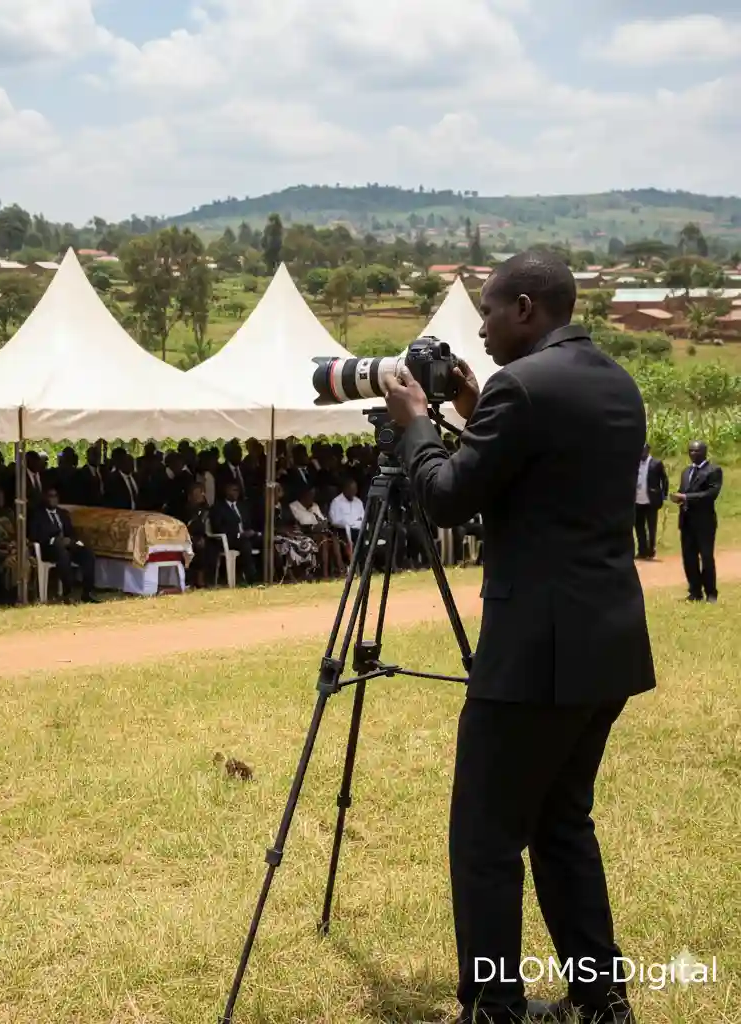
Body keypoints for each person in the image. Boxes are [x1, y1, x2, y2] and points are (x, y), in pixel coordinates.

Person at [383, 250, 654, 1024]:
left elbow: (442, 498)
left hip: (535, 653)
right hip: (605, 645)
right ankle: (603, 1002)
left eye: (490, 314)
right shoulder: (613, 380)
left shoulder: (522, 387)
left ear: (526, 307)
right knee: (563, 824)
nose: (481, 330)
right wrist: (473, 414)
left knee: (487, 839)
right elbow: (546, 477)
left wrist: (413, 432)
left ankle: (494, 1007)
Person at [671, 439, 722, 603]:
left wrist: (686, 497)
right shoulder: (686, 471)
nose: (693, 454)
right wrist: (678, 497)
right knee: (689, 558)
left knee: (706, 558)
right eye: (690, 451)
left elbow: (710, 495)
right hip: (687, 521)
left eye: (696, 451)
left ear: (704, 452)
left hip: (704, 522)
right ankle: (695, 592)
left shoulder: (713, 470)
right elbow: (683, 491)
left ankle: (711, 593)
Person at [29, 486, 99, 603]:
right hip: (49, 548)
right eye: (50, 496)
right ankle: (68, 593)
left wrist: (72, 541)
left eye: (55, 496)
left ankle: (87, 592)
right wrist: (54, 540)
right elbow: (34, 536)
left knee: (87, 553)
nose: (53, 499)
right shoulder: (38, 515)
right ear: (45, 498)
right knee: (63, 554)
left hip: (67, 544)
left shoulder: (63, 514)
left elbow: (71, 532)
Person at [634, 442, 668, 560]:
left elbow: (664, 479)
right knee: (639, 526)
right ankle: (641, 550)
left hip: (651, 500)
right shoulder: (635, 463)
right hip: (637, 500)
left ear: (648, 451)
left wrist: (664, 495)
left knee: (651, 527)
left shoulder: (656, 463)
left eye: (643, 451)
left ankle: (651, 550)